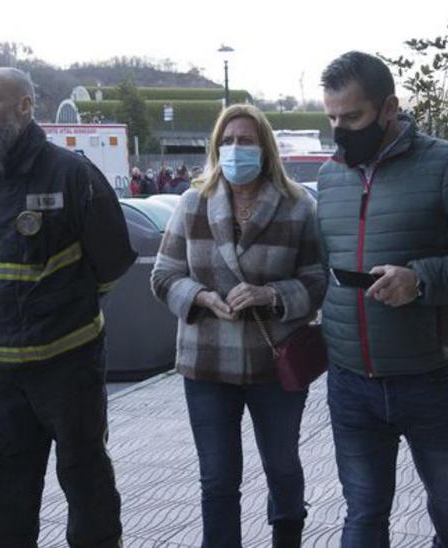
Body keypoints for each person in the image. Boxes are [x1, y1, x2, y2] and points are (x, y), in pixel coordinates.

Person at [317, 51, 448, 548]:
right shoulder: (329, 178)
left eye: (353, 117)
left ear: (389, 108)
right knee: (363, 511)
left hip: (431, 377)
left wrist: (421, 280)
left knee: (447, 496)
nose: (341, 130)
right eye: (332, 118)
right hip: (350, 382)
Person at [0, 67, 136, 548]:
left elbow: (113, 259)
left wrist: (62, 308)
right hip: (1, 372)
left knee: (86, 482)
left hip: (67, 365)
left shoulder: (72, 173)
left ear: (25, 106)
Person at [150, 104, 326, 548]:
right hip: (207, 362)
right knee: (217, 478)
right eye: (226, 142)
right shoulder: (193, 202)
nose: (234, 149)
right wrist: (202, 297)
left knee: (282, 466)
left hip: (276, 362)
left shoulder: (298, 205)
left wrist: (271, 296)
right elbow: (163, 275)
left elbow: (318, 280)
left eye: (245, 141)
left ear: (264, 148)